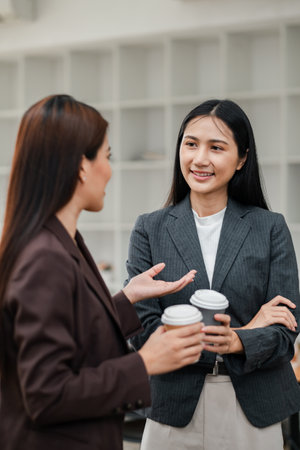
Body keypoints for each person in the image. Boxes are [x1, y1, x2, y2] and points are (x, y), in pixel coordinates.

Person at [0, 94, 204, 450]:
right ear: (82, 166)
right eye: (106, 157)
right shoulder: (45, 258)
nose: (110, 169)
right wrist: (145, 363)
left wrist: (127, 300)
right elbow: (46, 394)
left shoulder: (61, 241)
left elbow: (72, 330)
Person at [126, 99, 300, 450]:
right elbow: (143, 334)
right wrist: (246, 331)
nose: (200, 158)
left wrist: (234, 342)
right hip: (171, 409)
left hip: (252, 408)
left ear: (241, 158)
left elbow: (286, 332)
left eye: (216, 147)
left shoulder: (270, 228)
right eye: (191, 144)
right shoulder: (150, 229)